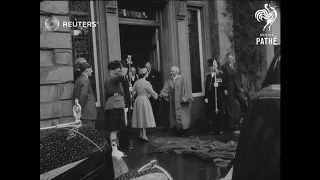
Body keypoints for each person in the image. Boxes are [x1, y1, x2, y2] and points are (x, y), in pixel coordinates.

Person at [159, 66, 193, 137]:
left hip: (181, 102)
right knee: (174, 116)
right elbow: (165, 89)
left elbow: (186, 89)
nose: (171, 73)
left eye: (172, 71)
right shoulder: (169, 80)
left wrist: (185, 98)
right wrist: (163, 93)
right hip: (173, 102)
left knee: (183, 117)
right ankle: (177, 131)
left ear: (177, 72)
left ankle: (184, 131)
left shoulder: (182, 79)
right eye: (170, 71)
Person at [104, 60, 129, 150]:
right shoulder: (112, 78)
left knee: (116, 129)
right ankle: (114, 149)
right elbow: (120, 78)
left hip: (116, 104)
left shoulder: (110, 77)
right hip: (115, 105)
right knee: (114, 129)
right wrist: (123, 72)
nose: (119, 69)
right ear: (114, 69)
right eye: (118, 68)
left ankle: (116, 148)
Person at [131, 68, 158, 142]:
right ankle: (144, 135)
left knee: (139, 116)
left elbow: (133, 93)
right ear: (146, 74)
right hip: (144, 100)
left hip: (138, 100)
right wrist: (156, 96)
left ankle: (140, 133)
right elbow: (151, 92)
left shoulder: (136, 82)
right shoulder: (146, 82)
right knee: (144, 116)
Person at [221, 52, 243, 132]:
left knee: (243, 100)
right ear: (227, 59)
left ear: (233, 58)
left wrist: (240, 87)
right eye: (228, 58)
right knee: (230, 106)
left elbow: (238, 78)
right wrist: (225, 89)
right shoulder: (224, 67)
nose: (230, 59)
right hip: (229, 88)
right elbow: (223, 79)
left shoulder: (235, 66)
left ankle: (239, 120)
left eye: (231, 58)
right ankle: (232, 125)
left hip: (236, 88)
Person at [204, 59, 228, 135]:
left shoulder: (220, 74)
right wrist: (206, 97)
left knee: (219, 113)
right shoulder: (208, 76)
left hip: (218, 97)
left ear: (216, 66)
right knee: (211, 113)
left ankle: (220, 129)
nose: (210, 68)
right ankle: (214, 128)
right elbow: (206, 87)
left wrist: (219, 85)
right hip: (210, 98)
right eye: (210, 66)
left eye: (212, 66)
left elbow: (226, 84)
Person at [73, 62, 97, 128]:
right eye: (91, 69)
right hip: (87, 113)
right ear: (86, 69)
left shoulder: (79, 79)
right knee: (90, 134)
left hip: (84, 113)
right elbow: (84, 95)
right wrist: (80, 108)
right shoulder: (85, 80)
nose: (92, 71)